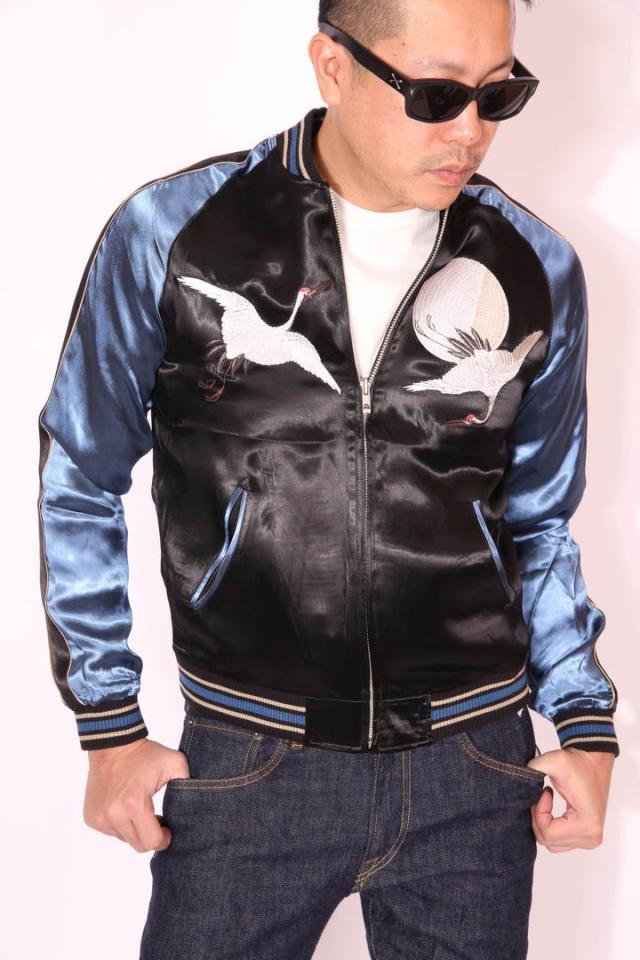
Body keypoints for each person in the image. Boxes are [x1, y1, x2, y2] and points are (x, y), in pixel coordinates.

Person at [36, 0, 620, 957]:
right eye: (435, 95)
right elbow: (79, 474)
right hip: (247, 759)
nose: (471, 130)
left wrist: (584, 723)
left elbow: (540, 520)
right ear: (333, 66)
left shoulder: (535, 264)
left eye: (499, 93)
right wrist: (108, 724)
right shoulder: (175, 232)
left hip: (476, 764)